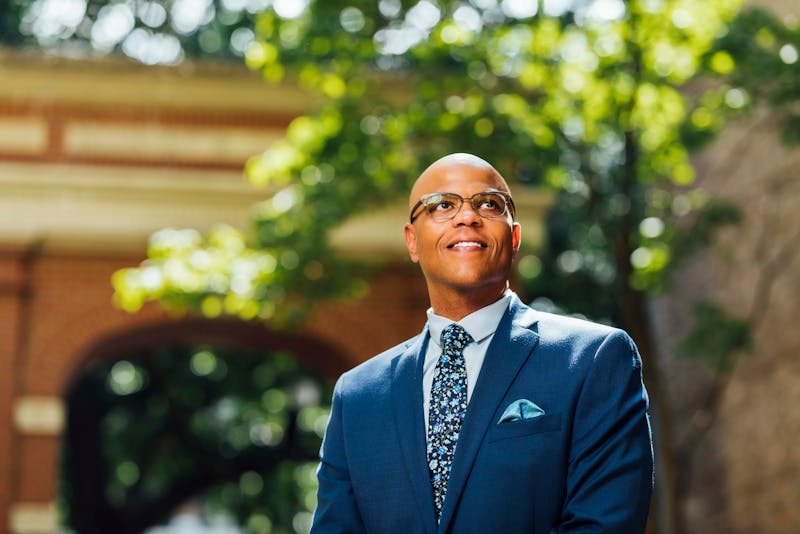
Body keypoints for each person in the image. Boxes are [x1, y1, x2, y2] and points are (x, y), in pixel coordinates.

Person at [311, 153, 654, 533]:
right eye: (442, 205)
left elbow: (604, 525)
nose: (467, 217)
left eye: (488, 204)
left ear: (515, 236)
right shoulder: (357, 396)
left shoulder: (593, 361)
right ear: (412, 241)